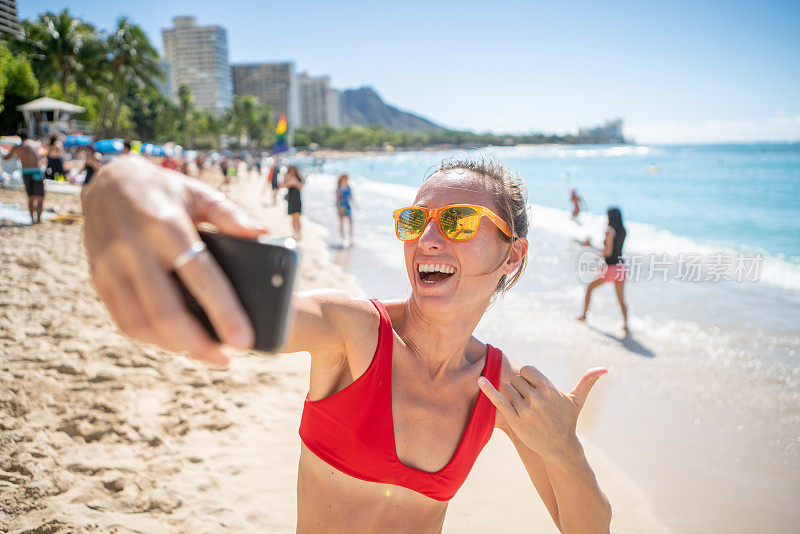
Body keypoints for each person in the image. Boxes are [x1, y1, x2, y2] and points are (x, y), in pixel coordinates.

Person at [82, 155, 612, 533]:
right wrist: (122, 181)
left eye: (457, 220)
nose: (429, 238)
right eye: (416, 221)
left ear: (511, 255)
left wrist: (567, 451)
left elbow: (587, 529)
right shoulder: (351, 331)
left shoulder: (502, 390)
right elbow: (230, 304)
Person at [578, 207, 628, 334]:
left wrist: (590, 246)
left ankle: (584, 315)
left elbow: (608, 251)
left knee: (589, 288)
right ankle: (626, 325)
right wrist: (600, 257)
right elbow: (615, 251)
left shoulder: (609, 231)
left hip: (610, 269)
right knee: (621, 300)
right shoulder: (622, 231)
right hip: (621, 267)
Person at [3, 132, 45, 224]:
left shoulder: (18, 147)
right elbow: (40, 157)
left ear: (20, 138)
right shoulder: (34, 144)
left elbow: (7, 157)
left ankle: (32, 220)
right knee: (40, 198)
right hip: (36, 171)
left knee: (31, 198)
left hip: (26, 173)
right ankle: (38, 219)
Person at [282, 165, 303, 238]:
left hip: (297, 198)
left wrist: (295, 183)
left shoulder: (298, 178)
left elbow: (301, 187)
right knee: (293, 217)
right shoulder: (287, 177)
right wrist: (289, 183)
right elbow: (282, 186)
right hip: (291, 199)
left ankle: (298, 232)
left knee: (297, 217)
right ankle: (295, 232)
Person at [336, 173, 354, 246]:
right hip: (341, 206)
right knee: (342, 223)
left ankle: (351, 238)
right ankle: (342, 238)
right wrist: (338, 208)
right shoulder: (339, 188)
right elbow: (337, 199)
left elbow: (351, 196)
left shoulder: (348, 187)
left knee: (350, 222)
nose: (345, 180)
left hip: (347, 205)